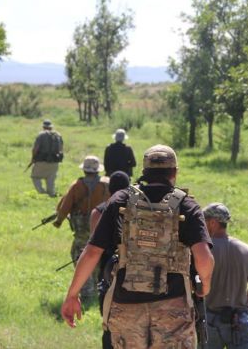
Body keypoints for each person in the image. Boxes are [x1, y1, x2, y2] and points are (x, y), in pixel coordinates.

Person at [61, 144, 215, 349]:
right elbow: (203, 258)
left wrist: (72, 295)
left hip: (127, 306)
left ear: (144, 172)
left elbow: (92, 253)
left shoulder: (120, 201)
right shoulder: (187, 206)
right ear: (175, 172)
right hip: (173, 307)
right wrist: (205, 284)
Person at [53, 155, 111, 300]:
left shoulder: (76, 185)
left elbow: (64, 206)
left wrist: (59, 221)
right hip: (100, 226)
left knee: (79, 255)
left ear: (84, 170)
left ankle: (87, 291)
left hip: (81, 229)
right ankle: (100, 286)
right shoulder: (106, 184)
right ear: (98, 170)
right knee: (99, 255)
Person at [203, 203, 248, 349]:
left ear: (213, 223)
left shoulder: (204, 251)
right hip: (238, 320)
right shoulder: (246, 250)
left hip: (211, 320)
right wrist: (245, 306)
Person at [89, 170, 130, 349]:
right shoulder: (137, 210)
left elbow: (94, 246)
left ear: (108, 188)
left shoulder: (98, 212)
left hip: (107, 276)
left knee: (108, 326)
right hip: (131, 274)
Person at [30, 119, 64, 197]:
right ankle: (51, 194)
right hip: (55, 161)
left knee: (35, 177)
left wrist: (33, 158)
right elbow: (61, 149)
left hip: (41, 160)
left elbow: (35, 149)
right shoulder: (58, 135)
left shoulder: (41, 135)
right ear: (51, 127)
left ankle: (42, 193)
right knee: (50, 178)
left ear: (43, 127)